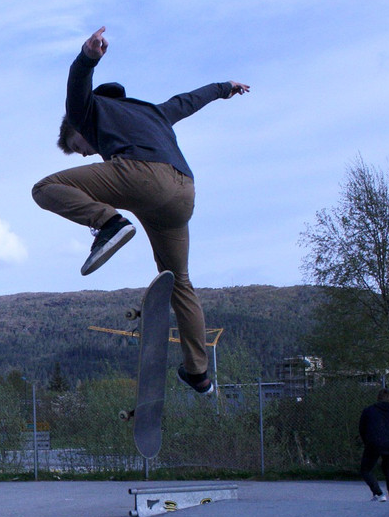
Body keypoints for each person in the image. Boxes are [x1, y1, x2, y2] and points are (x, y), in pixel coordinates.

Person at [31, 26, 249, 394]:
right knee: (178, 278)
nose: (88, 154)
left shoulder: (86, 113)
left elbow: (77, 89)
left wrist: (87, 58)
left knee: (45, 188)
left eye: (80, 147)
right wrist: (225, 88)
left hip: (143, 177)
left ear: (76, 128)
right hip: (183, 191)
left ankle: (109, 223)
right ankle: (198, 373)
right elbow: (188, 100)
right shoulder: (153, 112)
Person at [358, 388, 389, 502]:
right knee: (388, 469)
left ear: (378, 399)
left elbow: (362, 428)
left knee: (366, 470)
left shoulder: (368, 411)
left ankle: (379, 494)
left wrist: (367, 442)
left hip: (373, 444)